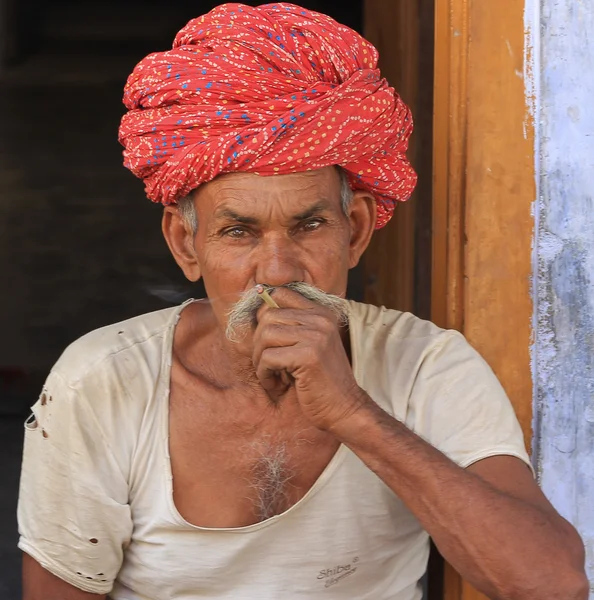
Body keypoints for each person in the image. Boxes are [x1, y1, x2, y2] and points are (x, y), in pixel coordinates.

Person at [18, 3, 588, 600]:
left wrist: (351, 412)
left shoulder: (425, 366)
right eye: (237, 232)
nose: (278, 270)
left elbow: (551, 585)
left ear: (358, 231)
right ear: (187, 244)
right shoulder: (103, 380)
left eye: (309, 225)